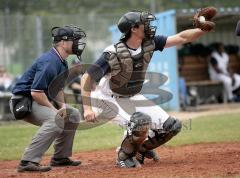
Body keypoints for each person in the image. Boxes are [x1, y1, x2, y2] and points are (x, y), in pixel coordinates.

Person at [81, 10, 212, 168]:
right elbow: (86, 78)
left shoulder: (149, 43)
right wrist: (87, 109)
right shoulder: (113, 52)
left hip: (132, 96)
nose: (149, 26)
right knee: (140, 123)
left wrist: (202, 29)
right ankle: (123, 156)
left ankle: (139, 150)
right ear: (133, 29)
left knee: (172, 127)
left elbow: (182, 38)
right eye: (144, 23)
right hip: (107, 98)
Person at [9, 25, 86, 172]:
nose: (77, 43)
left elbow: (57, 88)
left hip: (37, 100)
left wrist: (62, 107)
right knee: (55, 119)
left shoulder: (61, 61)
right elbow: (36, 92)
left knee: (73, 114)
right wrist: (54, 110)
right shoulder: (50, 61)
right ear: (63, 43)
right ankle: (27, 161)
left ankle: (60, 157)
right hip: (23, 102)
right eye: (74, 40)